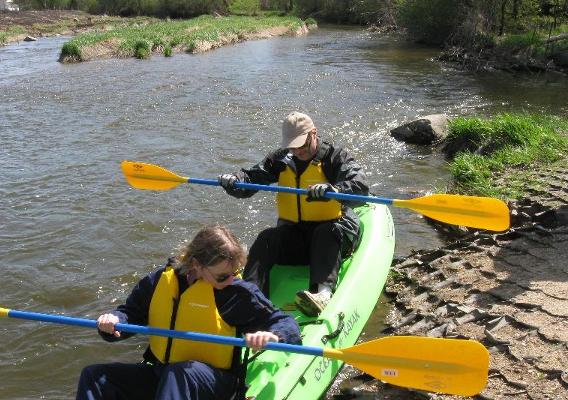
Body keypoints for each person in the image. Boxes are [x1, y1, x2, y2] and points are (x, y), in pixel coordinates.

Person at [76, 225, 301, 400]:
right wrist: (114, 322)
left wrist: (274, 336)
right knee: (95, 376)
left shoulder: (236, 293)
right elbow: (129, 314)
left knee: (181, 373)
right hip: (163, 373)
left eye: (235, 272)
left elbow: (286, 323)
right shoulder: (159, 281)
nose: (231, 279)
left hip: (216, 384)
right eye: (223, 276)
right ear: (196, 264)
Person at [218, 112, 370, 317]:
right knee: (267, 237)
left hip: (332, 236)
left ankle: (322, 294)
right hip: (296, 238)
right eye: (293, 146)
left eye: (302, 145)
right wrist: (234, 180)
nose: (298, 151)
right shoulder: (281, 159)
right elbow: (250, 180)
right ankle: (250, 296)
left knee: (326, 232)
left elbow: (361, 189)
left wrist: (334, 190)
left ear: (313, 134)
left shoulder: (335, 157)